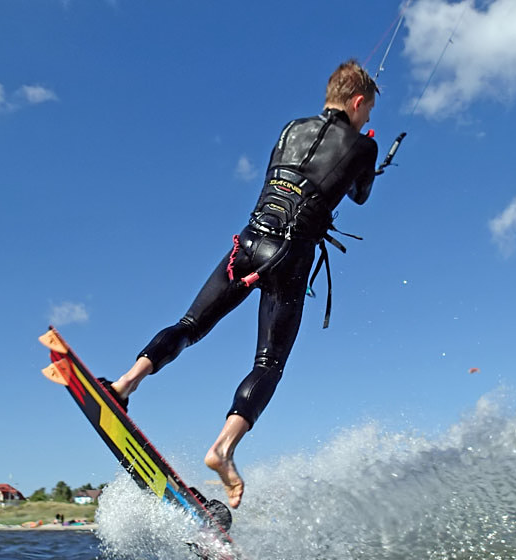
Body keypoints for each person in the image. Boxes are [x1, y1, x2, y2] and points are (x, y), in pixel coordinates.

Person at [105, 60, 380, 509]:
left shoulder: (291, 127)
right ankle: (222, 451)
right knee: (268, 363)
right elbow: (361, 194)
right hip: (288, 259)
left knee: (190, 324)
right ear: (357, 101)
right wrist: (366, 150)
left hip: (247, 244)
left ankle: (124, 384)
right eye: (368, 110)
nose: (368, 118)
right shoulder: (361, 145)